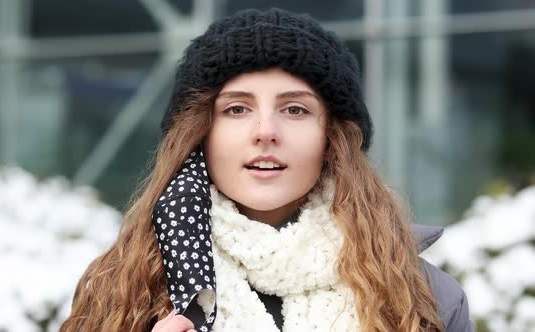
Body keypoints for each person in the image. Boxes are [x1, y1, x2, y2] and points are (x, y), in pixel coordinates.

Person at [60, 8, 474, 332]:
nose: (265, 132)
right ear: (200, 132)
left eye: (295, 109)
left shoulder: (420, 295)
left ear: (333, 138)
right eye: (236, 109)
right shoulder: (128, 289)